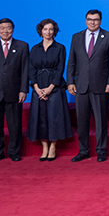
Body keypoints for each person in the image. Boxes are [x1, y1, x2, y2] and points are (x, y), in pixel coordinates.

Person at [67, 9, 109, 162]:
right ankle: (83, 150)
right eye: (89, 19)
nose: (92, 22)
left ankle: (101, 150)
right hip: (80, 85)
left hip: (100, 85)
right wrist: (70, 82)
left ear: (100, 21)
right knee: (82, 120)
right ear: (85, 20)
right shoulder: (76, 37)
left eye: (95, 20)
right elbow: (72, 61)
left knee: (100, 120)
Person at [0, 18, 29, 162]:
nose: (5, 31)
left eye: (8, 28)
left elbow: (25, 70)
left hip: (14, 92)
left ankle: (14, 152)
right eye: (2, 28)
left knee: (14, 125)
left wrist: (23, 90)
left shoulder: (22, 46)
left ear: (13, 29)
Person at [27, 19, 72, 161]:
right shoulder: (35, 49)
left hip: (54, 86)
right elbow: (31, 69)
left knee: (54, 117)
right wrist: (36, 87)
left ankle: (53, 147)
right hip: (38, 86)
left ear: (55, 31)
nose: (48, 32)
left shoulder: (60, 48)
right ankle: (44, 147)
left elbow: (60, 69)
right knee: (40, 117)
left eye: (51, 29)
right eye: (45, 29)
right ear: (40, 31)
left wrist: (50, 88)